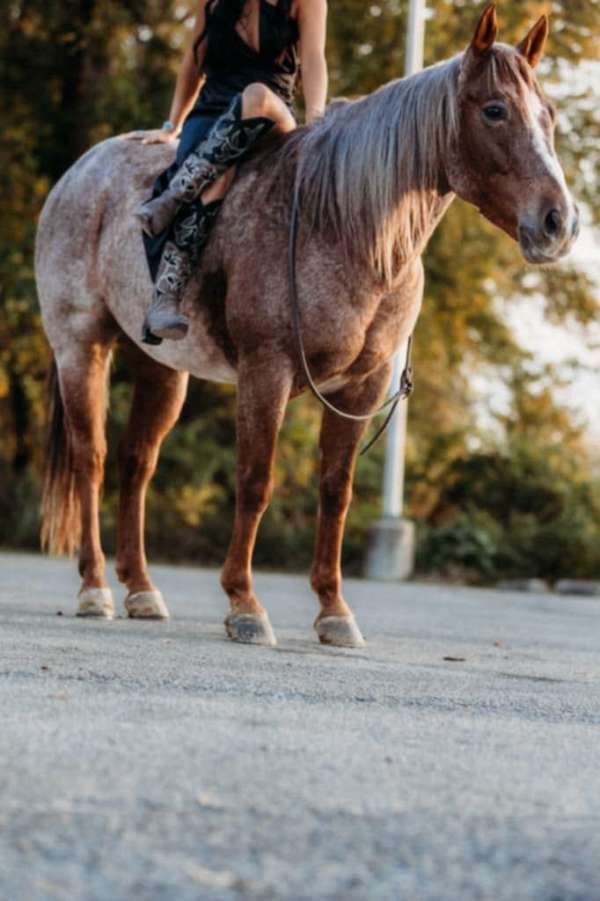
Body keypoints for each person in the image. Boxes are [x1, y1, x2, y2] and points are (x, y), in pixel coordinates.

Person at [126, 0, 328, 344]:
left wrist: (317, 124)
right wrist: (171, 125)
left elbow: (313, 59)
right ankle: (166, 296)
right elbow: (192, 63)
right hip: (211, 113)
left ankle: (173, 197)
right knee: (216, 177)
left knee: (256, 94)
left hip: (272, 115)